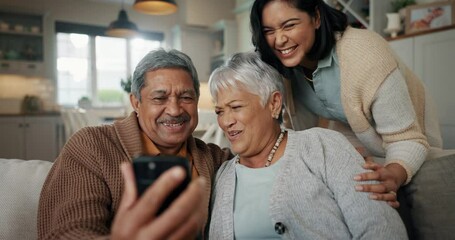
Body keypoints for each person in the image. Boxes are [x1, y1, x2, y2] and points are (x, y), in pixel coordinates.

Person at [249, 0, 443, 206]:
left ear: (316, 18)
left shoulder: (365, 51)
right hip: (359, 142)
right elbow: (301, 138)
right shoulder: (284, 71)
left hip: (411, 141)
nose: (279, 40)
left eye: (289, 25)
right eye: (269, 30)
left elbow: (408, 139)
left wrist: (393, 175)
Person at [207, 52, 407, 239]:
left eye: (235, 107)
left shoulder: (324, 147)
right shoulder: (221, 177)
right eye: (219, 111)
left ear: (274, 103)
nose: (225, 121)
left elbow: (383, 229)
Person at [37, 49, 231, 239]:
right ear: (136, 103)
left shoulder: (214, 159)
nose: (174, 110)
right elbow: (69, 231)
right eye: (159, 98)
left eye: (186, 98)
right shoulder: (91, 147)